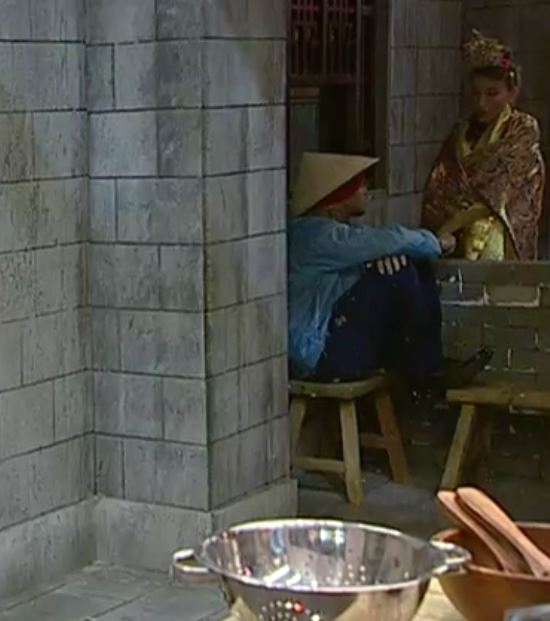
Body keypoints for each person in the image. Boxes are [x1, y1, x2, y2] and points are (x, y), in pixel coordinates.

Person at [288, 152, 490, 391]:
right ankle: (425, 373)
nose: (366, 188)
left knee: (413, 263)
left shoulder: (332, 234)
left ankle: (430, 366)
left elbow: (376, 248)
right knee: (399, 272)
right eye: (358, 184)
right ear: (337, 198)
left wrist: (386, 255)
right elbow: (385, 239)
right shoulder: (313, 235)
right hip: (319, 355)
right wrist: (435, 242)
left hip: (336, 343)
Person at [422, 30, 546, 261]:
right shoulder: (459, 134)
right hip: (455, 237)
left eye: (492, 94)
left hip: (500, 235)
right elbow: (439, 187)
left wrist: (454, 222)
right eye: (475, 93)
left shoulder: (523, 130)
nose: (482, 103)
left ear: (512, 92)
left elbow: (500, 189)